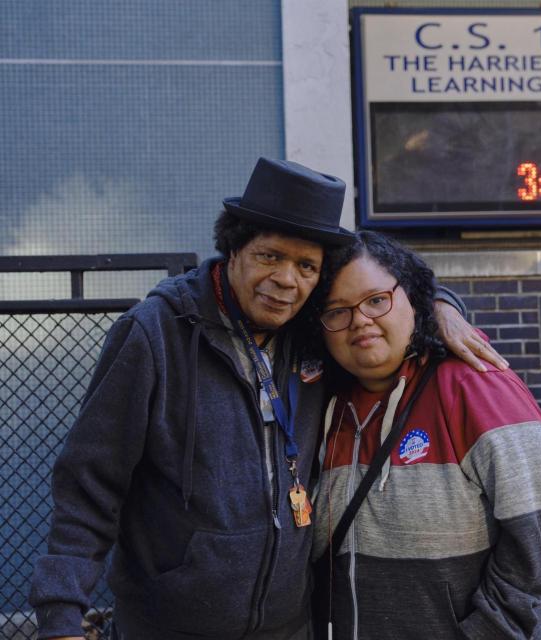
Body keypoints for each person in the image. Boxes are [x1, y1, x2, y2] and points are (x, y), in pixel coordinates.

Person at [28, 158, 507, 640]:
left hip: (289, 629)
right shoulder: (155, 335)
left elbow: (390, 294)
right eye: (270, 256)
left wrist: (442, 308)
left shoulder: (315, 333)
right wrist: (60, 616)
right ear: (233, 248)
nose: (287, 280)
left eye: (306, 267)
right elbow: (89, 486)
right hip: (169, 627)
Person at [310, 231, 541, 639]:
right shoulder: (324, 406)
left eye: (376, 300)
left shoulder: (474, 384)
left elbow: (538, 523)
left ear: (413, 299)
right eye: (337, 311)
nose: (360, 319)